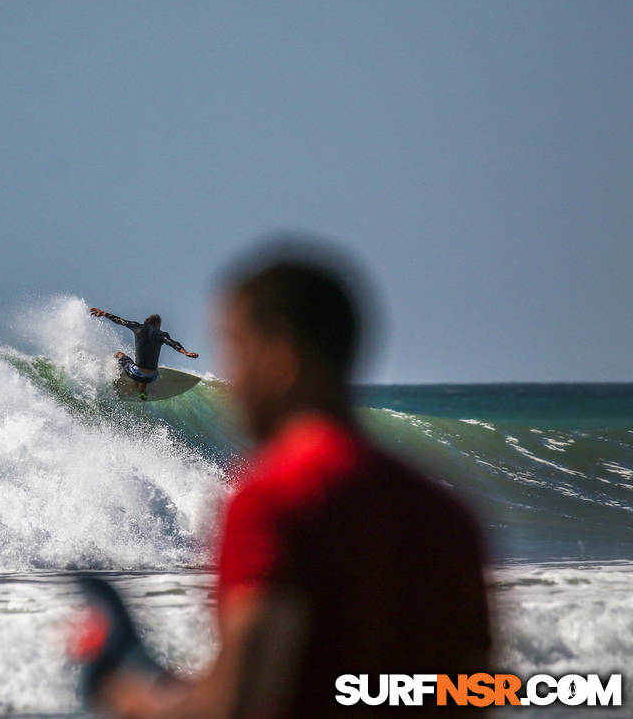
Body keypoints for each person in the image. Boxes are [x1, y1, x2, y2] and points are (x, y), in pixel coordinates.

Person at [72, 244, 491, 718]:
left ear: (280, 355)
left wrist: (122, 685)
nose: (232, 375)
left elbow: (235, 707)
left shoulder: (275, 503)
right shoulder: (447, 513)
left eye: (236, 349)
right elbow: (474, 694)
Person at [89, 308, 199, 398]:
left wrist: (103, 313)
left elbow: (120, 320)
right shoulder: (162, 334)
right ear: (157, 324)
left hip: (136, 373)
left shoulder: (137, 327)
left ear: (146, 322)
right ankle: (141, 391)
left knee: (119, 354)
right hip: (152, 376)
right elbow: (174, 343)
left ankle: (113, 374)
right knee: (144, 374)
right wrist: (186, 353)